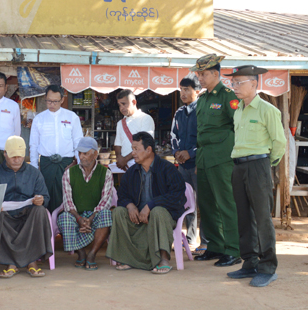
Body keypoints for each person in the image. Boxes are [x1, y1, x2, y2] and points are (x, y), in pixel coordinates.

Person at [224, 66, 286, 287]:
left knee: (262, 218)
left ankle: (267, 267)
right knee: (243, 217)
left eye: (239, 82)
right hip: (238, 167)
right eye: (233, 83)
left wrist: (267, 164)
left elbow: (279, 142)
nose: (235, 87)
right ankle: (249, 263)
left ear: (254, 83)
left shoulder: (268, 110)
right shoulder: (238, 110)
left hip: (258, 165)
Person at [106, 132, 186, 274]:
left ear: (148, 150)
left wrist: (151, 205)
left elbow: (177, 195)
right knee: (118, 212)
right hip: (138, 218)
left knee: (158, 211)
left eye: (136, 149)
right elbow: (122, 195)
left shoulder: (167, 169)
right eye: (132, 149)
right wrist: (130, 206)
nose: (133, 153)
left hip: (162, 218)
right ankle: (127, 258)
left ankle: (163, 259)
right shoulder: (131, 172)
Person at [190, 54, 241, 267]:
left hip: (222, 158)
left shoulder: (228, 96)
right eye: (198, 74)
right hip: (203, 159)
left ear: (215, 73)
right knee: (207, 205)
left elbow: (238, 126)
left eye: (203, 74)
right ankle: (215, 246)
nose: (200, 78)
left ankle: (233, 249)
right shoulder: (202, 99)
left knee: (226, 204)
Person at [0, 136, 53, 278]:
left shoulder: (34, 173)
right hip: (6, 217)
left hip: (28, 215)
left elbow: (45, 197)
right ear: (5, 154)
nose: (17, 160)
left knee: (40, 211)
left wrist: (41, 200)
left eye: (20, 156)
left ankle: (32, 261)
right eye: (13, 156)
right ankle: (11, 263)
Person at [57, 137, 113, 270]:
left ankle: (92, 254)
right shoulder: (69, 173)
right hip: (76, 215)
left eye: (85, 153)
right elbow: (68, 202)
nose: (81, 156)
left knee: (106, 215)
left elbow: (105, 202)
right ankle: (81, 253)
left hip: (95, 215)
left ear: (95, 154)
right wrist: (79, 219)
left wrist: (90, 219)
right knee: (64, 218)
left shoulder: (106, 173)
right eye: (79, 153)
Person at [29, 85, 83, 212]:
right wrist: (34, 168)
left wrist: (79, 165)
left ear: (62, 100)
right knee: (45, 196)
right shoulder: (39, 119)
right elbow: (33, 145)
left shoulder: (72, 117)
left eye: (55, 101)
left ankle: (64, 222)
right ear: (45, 98)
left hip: (66, 164)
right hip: (46, 164)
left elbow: (78, 143)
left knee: (66, 196)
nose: (52, 104)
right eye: (49, 101)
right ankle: (47, 222)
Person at [170, 75, 207, 249]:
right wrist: (176, 152)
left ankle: (206, 241)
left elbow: (206, 139)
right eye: (181, 90)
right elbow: (173, 135)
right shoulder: (179, 113)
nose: (182, 93)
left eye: (187, 90)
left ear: (197, 91)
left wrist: (190, 153)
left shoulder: (203, 111)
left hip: (200, 165)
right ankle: (191, 238)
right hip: (183, 166)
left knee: (204, 204)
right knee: (186, 202)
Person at [114, 89, 155, 173]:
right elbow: (118, 144)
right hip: (124, 167)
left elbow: (145, 144)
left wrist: (125, 159)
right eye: (119, 105)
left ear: (134, 102)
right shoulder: (120, 123)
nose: (121, 108)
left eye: (124, 104)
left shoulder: (145, 119)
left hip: (141, 166)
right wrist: (119, 158)